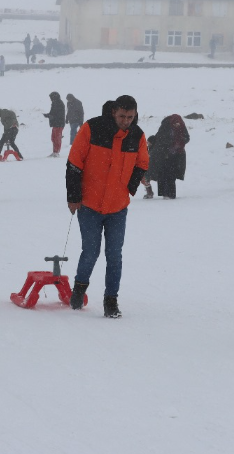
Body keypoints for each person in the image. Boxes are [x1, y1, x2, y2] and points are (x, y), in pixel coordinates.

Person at [66, 96, 149, 318]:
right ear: (113, 112)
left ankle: (111, 301)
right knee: (91, 252)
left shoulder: (137, 136)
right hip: (89, 204)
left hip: (118, 207)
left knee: (114, 255)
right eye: (122, 116)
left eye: (130, 117)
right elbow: (74, 162)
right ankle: (79, 289)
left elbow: (142, 162)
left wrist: (128, 188)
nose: (126, 121)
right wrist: (73, 196)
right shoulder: (92, 128)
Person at [146, 115, 189, 199]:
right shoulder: (165, 126)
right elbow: (160, 139)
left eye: (178, 124)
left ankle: (171, 194)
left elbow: (187, 138)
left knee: (172, 175)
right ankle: (164, 194)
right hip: (163, 154)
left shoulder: (182, 127)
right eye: (175, 124)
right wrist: (169, 143)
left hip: (177, 155)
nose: (177, 125)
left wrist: (181, 139)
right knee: (163, 174)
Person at [44, 91, 66, 157]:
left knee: (57, 138)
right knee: (53, 138)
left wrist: (51, 116)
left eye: (51, 97)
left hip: (59, 123)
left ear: (54, 97)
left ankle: (57, 152)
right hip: (55, 123)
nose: (50, 99)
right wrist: (48, 115)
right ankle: (54, 152)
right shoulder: (54, 103)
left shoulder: (59, 103)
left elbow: (59, 114)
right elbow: (53, 113)